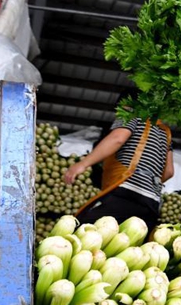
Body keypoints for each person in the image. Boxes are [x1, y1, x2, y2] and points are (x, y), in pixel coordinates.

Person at [64, 92, 174, 233]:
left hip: (127, 193)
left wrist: (83, 164)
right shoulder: (165, 133)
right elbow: (169, 171)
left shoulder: (131, 114)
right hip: (151, 203)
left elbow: (118, 138)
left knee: (83, 231)